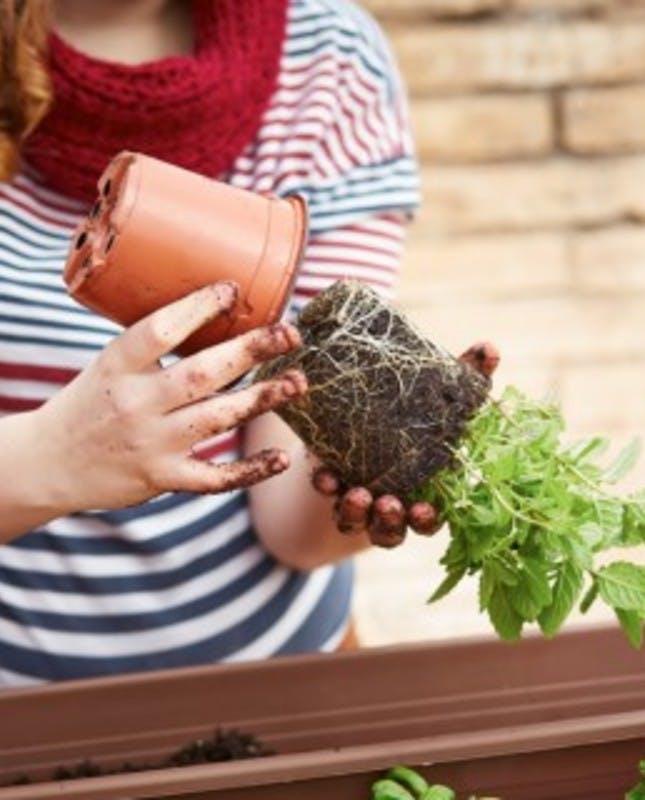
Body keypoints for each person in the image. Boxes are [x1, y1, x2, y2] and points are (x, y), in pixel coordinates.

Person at [0, 0, 496, 686]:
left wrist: (366, 460)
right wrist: (56, 457)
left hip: (279, 686)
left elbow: (290, 526)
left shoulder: (327, 60)